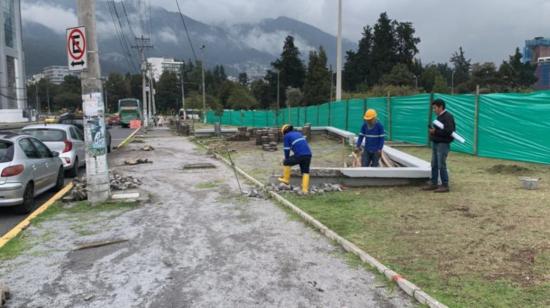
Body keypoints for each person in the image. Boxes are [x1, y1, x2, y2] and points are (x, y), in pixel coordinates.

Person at [423, 99, 455, 193]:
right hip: (436, 142)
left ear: (441, 107)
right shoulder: (439, 117)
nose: (434, 110)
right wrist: (433, 132)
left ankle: (445, 185)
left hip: (443, 144)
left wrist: (435, 131)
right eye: (433, 108)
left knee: (441, 164)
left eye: (435, 108)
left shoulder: (448, 117)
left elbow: (449, 131)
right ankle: (434, 183)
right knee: (434, 164)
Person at [278, 124, 312, 193]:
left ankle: (286, 179)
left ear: (284, 132)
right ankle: (305, 189)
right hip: (308, 155)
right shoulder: (298, 133)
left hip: (300, 155)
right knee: (305, 171)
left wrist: (286, 159)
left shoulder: (287, 136)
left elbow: (286, 149)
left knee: (286, 162)